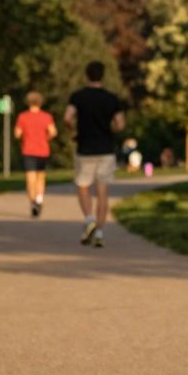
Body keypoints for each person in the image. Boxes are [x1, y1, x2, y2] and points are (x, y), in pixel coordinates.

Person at [65, 61, 125, 249]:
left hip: (85, 148)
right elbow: (120, 124)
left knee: (83, 185)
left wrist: (73, 130)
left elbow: (67, 117)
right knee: (102, 191)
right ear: (103, 75)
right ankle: (99, 231)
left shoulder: (78, 97)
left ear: (87, 75)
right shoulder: (111, 98)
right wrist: (111, 130)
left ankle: (89, 219)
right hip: (106, 149)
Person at [13, 91, 57, 218]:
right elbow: (53, 132)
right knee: (41, 177)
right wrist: (45, 138)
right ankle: (39, 200)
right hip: (43, 150)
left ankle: (33, 203)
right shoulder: (46, 116)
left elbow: (17, 134)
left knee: (30, 179)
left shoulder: (23, 116)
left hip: (28, 150)